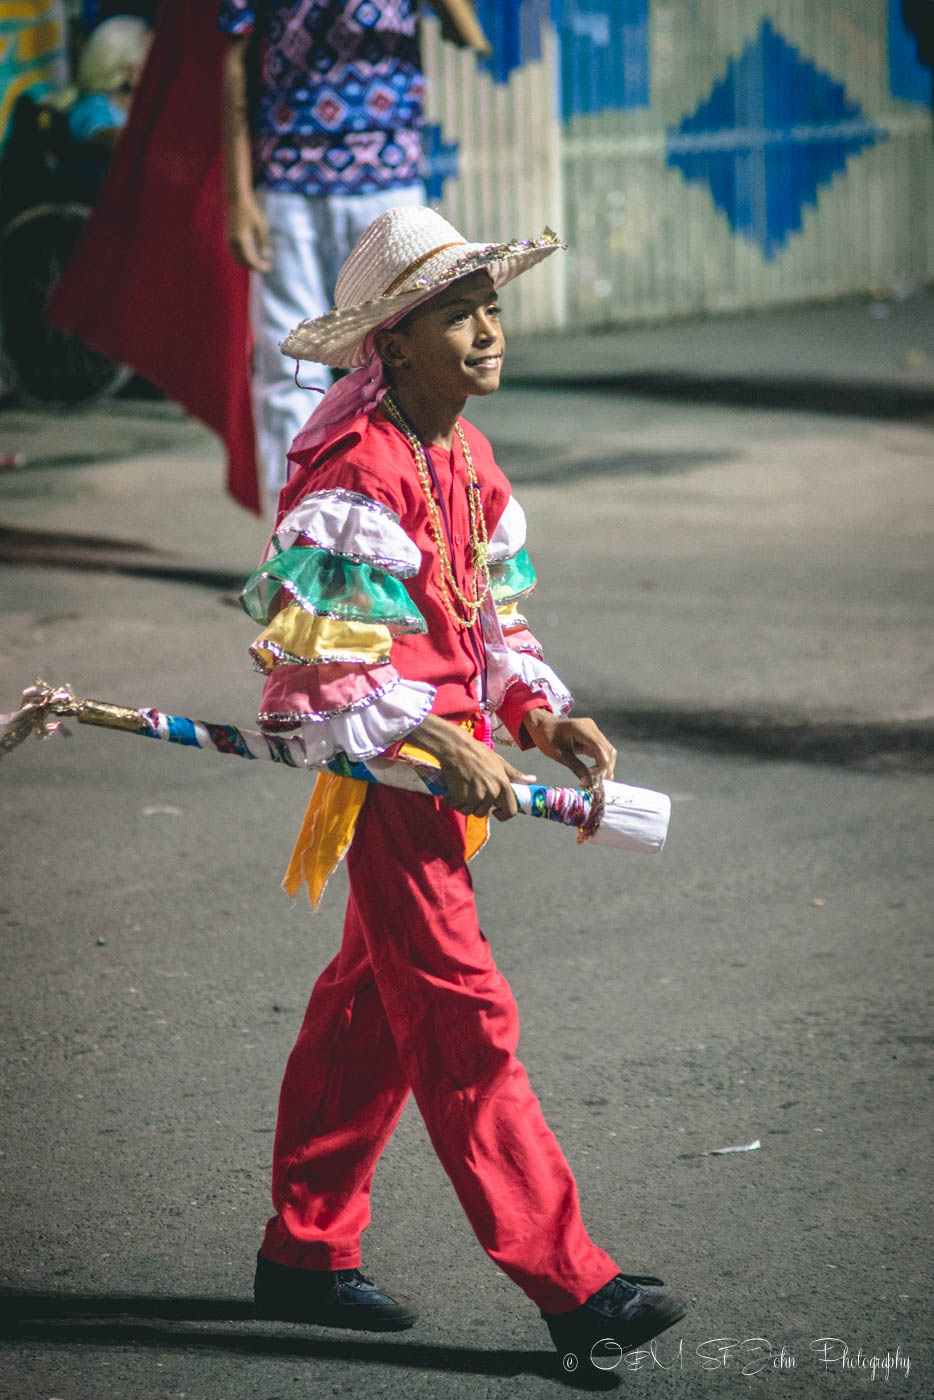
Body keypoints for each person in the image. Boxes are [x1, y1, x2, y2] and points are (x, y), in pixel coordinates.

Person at [238, 204, 688, 1380]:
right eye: (457, 315)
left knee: (370, 1007)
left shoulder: (465, 455)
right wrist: (436, 737)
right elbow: (323, 667)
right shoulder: (357, 465)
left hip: (445, 769)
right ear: (389, 344)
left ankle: (305, 1247)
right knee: (460, 1012)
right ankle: (572, 1284)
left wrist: (536, 713)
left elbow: (489, 620)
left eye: (489, 308)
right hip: (392, 774)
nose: (487, 332)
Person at [219, 0, 428, 508]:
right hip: (289, 179)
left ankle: (402, 532)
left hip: (389, 178)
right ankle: (294, 544)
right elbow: (233, 60)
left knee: (407, 364)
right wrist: (237, 197)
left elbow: (470, 33)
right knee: (289, 363)